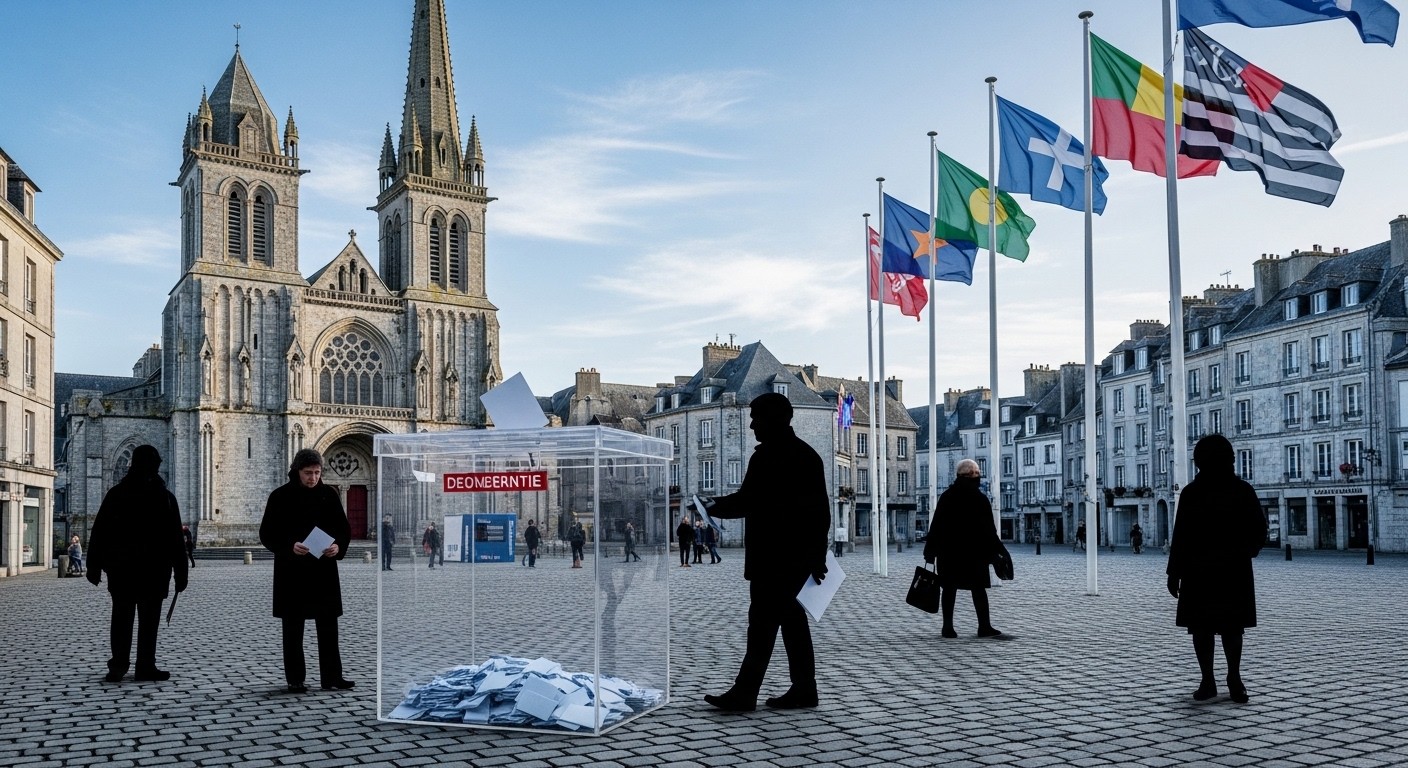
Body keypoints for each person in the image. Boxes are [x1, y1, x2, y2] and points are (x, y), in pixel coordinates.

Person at [701, 393, 829, 712]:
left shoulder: (769, 456)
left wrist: (713, 506)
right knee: (791, 624)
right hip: (795, 559)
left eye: (756, 418)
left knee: (762, 625)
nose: (751, 424)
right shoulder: (807, 455)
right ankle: (804, 689)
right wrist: (817, 557)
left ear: (773, 419)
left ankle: (746, 693)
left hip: (774, 558)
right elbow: (821, 514)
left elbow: (749, 501)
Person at [1167, 434, 1267, 704]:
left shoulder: (1192, 493)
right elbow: (1259, 530)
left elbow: (1181, 537)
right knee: (1229, 628)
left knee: (1205, 628)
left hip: (1200, 569)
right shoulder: (1240, 490)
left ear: (1200, 462)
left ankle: (1211, 679)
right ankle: (1231, 679)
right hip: (1229, 569)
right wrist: (1247, 550)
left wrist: (1173, 571)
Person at [84, 444, 188, 683]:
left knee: (122, 617)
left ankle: (120, 665)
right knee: (147, 620)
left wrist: (94, 566)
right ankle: (144, 666)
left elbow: (100, 533)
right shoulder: (165, 498)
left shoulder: (117, 494)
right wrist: (181, 573)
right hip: (152, 571)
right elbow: (175, 541)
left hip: (123, 570)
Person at [259, 448, 354, 694]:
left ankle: (332, 677)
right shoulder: (279, 496)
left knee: (328, 626)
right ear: (297, 471)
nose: (313, 478)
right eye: (307, 473)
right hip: (292, 571)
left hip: (323, 570)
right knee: (293, 626)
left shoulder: (329, 495)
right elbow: (267, 534)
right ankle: (295, 678)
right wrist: (289, 546)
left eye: (317, 473)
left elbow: (343, 530)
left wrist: (337, 546)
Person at [924, 459, 1005, 640]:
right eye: (975, 473)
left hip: (949, 553)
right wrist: (999, 551)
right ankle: (983, 626)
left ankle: (948, 627)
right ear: (967, 475)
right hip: (973, 554)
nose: (978, 475)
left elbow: (936, 526)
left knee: (949, 589)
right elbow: (989, 531)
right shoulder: (979, 499)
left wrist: (930, 550)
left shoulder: (947, 497)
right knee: (977, 590)